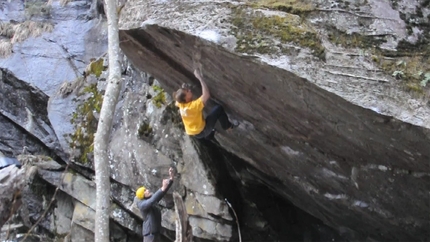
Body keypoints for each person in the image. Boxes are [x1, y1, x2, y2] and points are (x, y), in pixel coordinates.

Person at [173, 69, 236, 140]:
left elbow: (176, 102)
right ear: (185, 99)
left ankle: (210, 134)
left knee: (206, 127)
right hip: (203, 130)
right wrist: (200, 78)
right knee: (218, 109)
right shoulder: (193, 107)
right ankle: (228, 127)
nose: (189, 90)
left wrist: (183, 89)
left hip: (194, 132)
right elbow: (206, 95)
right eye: (187, 91)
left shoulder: (181, 104)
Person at [135, 167, 174, 242]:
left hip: (156, 234)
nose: (147, 190)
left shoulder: (151, 200)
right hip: (149, 235)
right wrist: (162, 188)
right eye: (145, 191)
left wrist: (171, 179)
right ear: (142, 195)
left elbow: (161, 193)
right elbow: (151, 201)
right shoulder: (142, 205)